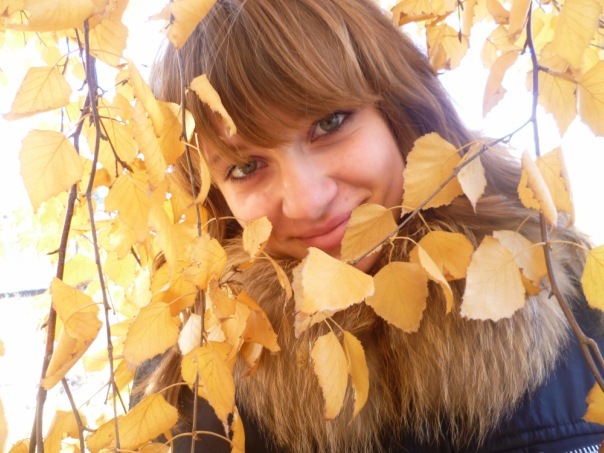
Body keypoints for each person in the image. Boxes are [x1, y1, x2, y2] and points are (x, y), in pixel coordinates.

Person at [134, 0, 604, 451]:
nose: (308, 201)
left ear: (399, 107)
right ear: (216, 200)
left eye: (330, 123)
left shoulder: (575, 297)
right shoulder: (193, 384)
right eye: (245, 167)